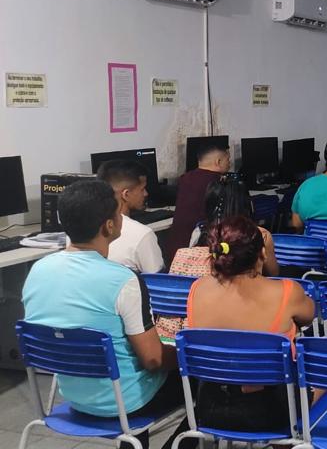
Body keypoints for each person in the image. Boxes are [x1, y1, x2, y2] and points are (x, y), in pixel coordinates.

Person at [22, 180, 188, 449]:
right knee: (203, 382)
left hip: (73, 397)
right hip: (125, 403)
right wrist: (185, 354)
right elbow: (153, 360)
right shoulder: (123, 280)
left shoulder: (37, 271)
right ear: (109, 226)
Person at [185, 215, 315, 434]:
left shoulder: (197, 289)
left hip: (211, 410)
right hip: (274, 413)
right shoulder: (287, 292)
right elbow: (309, 315)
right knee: (321, 385)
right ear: (262, 253)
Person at [157, 177, 279, 339]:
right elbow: (274, 274)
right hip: (242, 326)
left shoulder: (198, 234)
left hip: (189, 334)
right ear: (246, 204)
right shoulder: (260, 235)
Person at [165, 140, 231, 262]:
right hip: (200, 253)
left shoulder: (185, 179)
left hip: (175, 253)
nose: (229, 163)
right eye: (228, 159)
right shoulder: (218, 183)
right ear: (218, 162)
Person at [97, 159, 164, 274]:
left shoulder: (81, 230)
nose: (146, 193)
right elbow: (157, 280)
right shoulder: (142, 234)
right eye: (142, 189)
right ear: (126, 194)